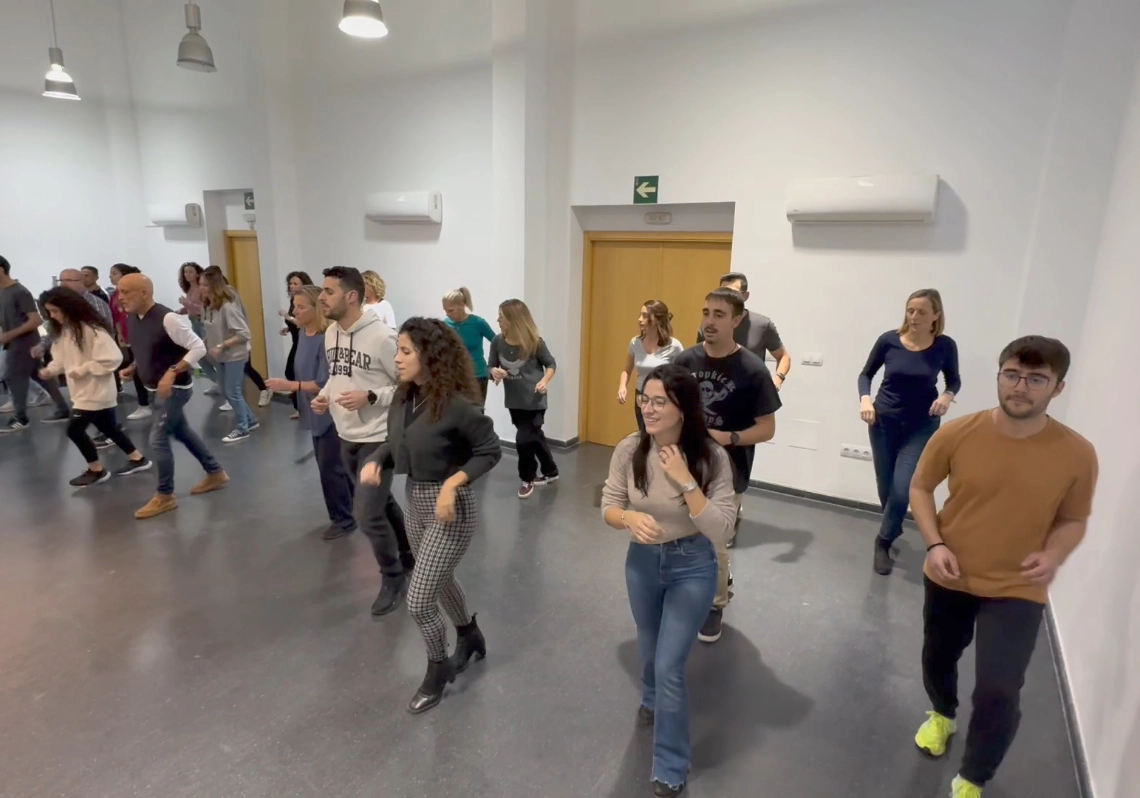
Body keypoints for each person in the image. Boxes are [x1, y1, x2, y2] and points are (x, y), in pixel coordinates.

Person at [909, 336, 1097, 798]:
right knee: (938, 657)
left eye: (1036, 379)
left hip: (1018, 587)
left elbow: (1074, 520)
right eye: (1012, 374)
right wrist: (934, 544)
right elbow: (920, 488)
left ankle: (973, 776)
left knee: (999, 690)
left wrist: (1053, 555)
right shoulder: (957, 433)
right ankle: (943, 713)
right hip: (951, 573)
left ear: (1058, 388)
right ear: (998, 376)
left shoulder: (1076, 453)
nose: (1020, 387)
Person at [601, 364, 736, 798]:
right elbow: (608, 505)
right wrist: (627, 517)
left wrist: (685, 481)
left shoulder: (711, 457)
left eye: (660, 401)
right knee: (648, 639)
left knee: (670, 663)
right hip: (641, 563)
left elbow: (723, 530)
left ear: (683, 408)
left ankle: (671, 765)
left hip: (692, 565)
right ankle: (652, 697)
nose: (649, 408)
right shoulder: (629, 450)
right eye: (645, 399)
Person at [361, 317, 502, 714]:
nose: (398, 358)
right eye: (398, 350)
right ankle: (470, 636)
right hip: (416, 502)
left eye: (406, 351)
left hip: (451, 510)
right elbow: (393, 443)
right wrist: (375, 459)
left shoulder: (457, 405)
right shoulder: (406, 397)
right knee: (439, 584)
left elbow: (489, 451)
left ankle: (438, 668)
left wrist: (452, 484)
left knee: (419, 600)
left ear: (430, 356)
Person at [675, 288, 780, 644]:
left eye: (719, 314)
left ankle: (715, 604)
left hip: (728, 471)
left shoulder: (752, 369)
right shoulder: (685, 362)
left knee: (714, 543)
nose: (709, 321)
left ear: (737, 321)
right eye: (706, 312)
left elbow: (767, 428)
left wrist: (727, 438)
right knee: (678, 533)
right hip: (684, 466)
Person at [311, 266, 415, 612]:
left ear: (351, 296)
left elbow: (407, 386)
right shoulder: (331, 334)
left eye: (328, 291)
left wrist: (371, 397)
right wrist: (325, 395)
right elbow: (339, 376)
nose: (321, 298)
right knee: (381, 503)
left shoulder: (383, 337)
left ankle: (392, 577)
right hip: (346, 434)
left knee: (367, 513)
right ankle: (406, 552)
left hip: (379, 437)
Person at [858, 288, 961, 576]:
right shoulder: (889, 340)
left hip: (921, 425)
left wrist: (946, 396)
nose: (914, 317)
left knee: (903, 489)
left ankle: (883, 540)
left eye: (922, 312)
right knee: (885, 486)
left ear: (935, 316)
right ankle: (892, 524)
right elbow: (865, 374)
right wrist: (865, 399)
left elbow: (954, 380)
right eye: (910, 310)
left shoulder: (944, 346)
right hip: (883, 422)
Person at [116, 273, 228, 519]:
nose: (119, 297)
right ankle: (215, 472)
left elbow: (198, 347)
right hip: (154, 388)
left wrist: (172, 372)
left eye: (125, 292)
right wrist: (134, 367)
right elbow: (148, 348)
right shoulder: (134, 318)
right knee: (181, 431)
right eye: (119, 292)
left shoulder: (168, 318)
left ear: (144, 293)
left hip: (175, 389)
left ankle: (165, 496)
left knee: (157, 439)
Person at [266, 286, 356, 540]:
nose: (295, 311)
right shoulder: (305, 334)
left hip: (329, 413)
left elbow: (323, 382)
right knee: (333, 466)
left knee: (330, 468)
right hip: (315, 410)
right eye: (295, 306)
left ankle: (344, 519)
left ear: (317, 309)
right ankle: (351, 509)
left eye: (301, 307)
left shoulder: (327, 339)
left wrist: (290, 386)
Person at [37, 287, 151, 486]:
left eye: (55, 311)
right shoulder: (65, 332)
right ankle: (138, 458)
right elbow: (62, 359)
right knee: (109, 428)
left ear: (68, 307)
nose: (52, 316)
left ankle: (96, 470)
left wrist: (84, 369)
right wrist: (51, 369)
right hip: (83, 392)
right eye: (49, 312)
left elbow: (113, 358)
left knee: (74, 430)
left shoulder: (91, 330)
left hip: (95, 391)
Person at [488, 298, 558, 499]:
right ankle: (551, 470)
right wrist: (494, 371)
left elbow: (551, 364)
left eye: (501, 317)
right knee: (534, 436)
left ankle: (527, 478)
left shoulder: (534, 342)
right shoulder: (497, 342)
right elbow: (489, 365)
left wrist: (545, 380)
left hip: (535, 400)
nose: (498, 321)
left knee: (523, 439)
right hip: (514, 401)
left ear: (513, 319)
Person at [0, 255, 70, 432]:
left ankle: (21, 418)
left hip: (23, 343)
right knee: (40, 375)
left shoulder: (20, 292)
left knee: (13, 377)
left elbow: (35, 320)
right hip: (17, 342)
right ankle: (63, 409)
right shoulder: (3, 292)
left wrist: (9, 335)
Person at [697, 272, 792, 391]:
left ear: (746, 296)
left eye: (733, 293)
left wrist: (778, 378)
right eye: (723, 292)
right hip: (716, 392)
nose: (727, 297)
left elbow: (783, 356)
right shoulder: (709, 326)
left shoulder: (762, 325)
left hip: (751, 393)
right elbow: (699, 358)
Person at [199, 268, 258, 443]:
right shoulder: (208, 306)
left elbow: (243, 333)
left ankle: (242, 428)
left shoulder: (228, 307)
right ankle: (250, 419)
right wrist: (205, 341)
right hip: (220, 356)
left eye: (205, 285)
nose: (201, 288)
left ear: (214, 286)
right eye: (200, 284)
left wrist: (222, 345)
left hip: (234, 355)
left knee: (233, 392)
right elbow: (211, 327)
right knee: (225, 390)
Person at [201, 266, 272, 408]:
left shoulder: (229, 297)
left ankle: (264, 389)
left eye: (205, 284)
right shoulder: (212, 300)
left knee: (245, 369)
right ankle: (238, 405)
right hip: (225, 344)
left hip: (236, 342)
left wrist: (228, 341)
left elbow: (238, 321)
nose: (201, 287)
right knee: (234, 378)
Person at [617, 300, 684, 432]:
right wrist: (622, 386)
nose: (640, 319)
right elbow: (626, 370)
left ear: (658, 319)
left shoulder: (673, 345)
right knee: (644, 432)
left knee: (660, 434)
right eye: (640, 315)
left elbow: (683, 374)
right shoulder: (635, 343)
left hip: (663, 397)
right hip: (642, 396)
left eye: (645, 316)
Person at [109, 264, 151, 421]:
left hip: (140, 334)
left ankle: (147, 403)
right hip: (128, 336)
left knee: (143, 368)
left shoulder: (137, 293)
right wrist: (120, 334)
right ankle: (144, 404)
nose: (111, 276)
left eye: (114, 273)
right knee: (135, 368)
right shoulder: (114, 295)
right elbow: (116, 316)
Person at [442, 287, 496, 405]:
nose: (448, 314)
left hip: (477, 376)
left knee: (476, 414)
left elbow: (496, 342)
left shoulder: (478, 323)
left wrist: (493, 367)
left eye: (451, 310)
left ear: (461, 305)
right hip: (455, 377)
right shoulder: (445, 324)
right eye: (446, 311)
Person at [176, 262, 222, 399]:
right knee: (198, 355)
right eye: (185, 272)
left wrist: (187, 303)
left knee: (210, 354)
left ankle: (224, 383)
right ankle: (218, 382)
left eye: (190, 271)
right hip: (194, 323)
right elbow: (192, 308)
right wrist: (182, 310)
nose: (187, 275)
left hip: (203, 324)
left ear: (197, 273)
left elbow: (203, 309)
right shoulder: (190, 289)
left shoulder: (202, 290)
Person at [279, 271, 313, 419]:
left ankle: (305, 407)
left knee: (295, 373)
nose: (292, 286)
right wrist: (288, 327)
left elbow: (303, 322)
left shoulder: (306, 301)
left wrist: (287, 317)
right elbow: (296, 322)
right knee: (292, 373)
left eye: (295, 283)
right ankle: (300, 408)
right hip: (296, 340)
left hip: (303, 342)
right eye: (290, 283)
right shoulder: (294, 300)